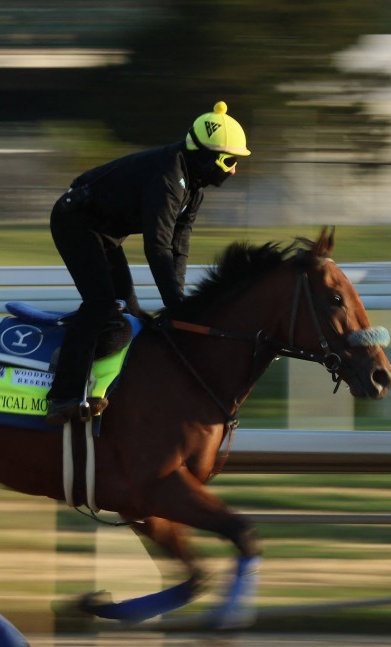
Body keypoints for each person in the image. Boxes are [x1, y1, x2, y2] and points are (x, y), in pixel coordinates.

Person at [45, 101, 251, 426]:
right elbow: (156, 246)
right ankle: (62, 396)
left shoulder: (193, 189)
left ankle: (79, 362)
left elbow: (178, 247)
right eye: (229, 160)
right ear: (205, 154)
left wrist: (179, 304)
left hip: (103, 234)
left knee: (131, 315)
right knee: (100, 304)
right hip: (75, 223)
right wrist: (176, 306)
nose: (234, 169)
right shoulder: (169, 176)